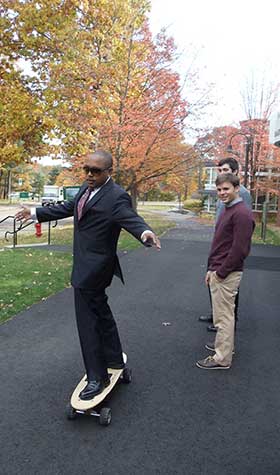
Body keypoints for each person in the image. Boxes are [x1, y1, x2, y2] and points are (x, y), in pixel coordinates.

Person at [16, 150, 161, 399]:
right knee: (101, 314)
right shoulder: (86, 189)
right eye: (86, 169)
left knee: (88, 323)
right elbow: (69, 207)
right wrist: (36, 213)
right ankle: (115, 359)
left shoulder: (116, 197)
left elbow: (131, 219)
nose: (89, 175)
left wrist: (145, 234)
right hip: (83, 263)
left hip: (95, 269)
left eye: (96, 171)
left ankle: (97, 377)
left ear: (109, 172)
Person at [196, 173, 254, 369]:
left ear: (237, 189)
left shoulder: (242, 214)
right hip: (218, 270)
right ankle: (224, 348)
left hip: (227, 273)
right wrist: (211, 269)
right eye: (219, 189)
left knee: (224, 317)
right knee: (222, 315)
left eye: (226, 189)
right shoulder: (228, 210)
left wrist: (220, 272)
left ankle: (222, 358)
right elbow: (220, 245)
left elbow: (240, 250)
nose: (222, 193)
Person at [199, 157, 252, 332]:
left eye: (226, 170)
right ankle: (217, 315)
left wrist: (225, 265)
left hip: (230, 250)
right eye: (220, 170)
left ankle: (226, 321)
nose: (222, 173)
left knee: (227, 288)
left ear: (235, 173)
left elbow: (243, 231)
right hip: (220, 243)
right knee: (214, 285)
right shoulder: (222, 191)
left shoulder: (242, 194)